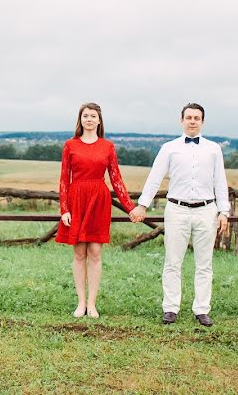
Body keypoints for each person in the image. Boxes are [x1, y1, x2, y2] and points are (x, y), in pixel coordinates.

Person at [129, 103, 230, 327]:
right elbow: (155, 177)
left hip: (206, 210)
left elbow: (220, 181)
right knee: (173, 261)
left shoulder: (214, 149)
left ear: (202, 121)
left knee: (204, 263)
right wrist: (142, 205)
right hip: (177, 210)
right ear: (181, 120)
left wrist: (224, 211)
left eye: (197, 118)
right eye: (189, 117)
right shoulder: (169, 148)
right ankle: (170, 308)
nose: (192, 121)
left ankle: (202, 310)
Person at [56, 102, 138, 318]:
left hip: (99, 200)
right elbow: (64, 179)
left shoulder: (107, 146)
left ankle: (92, 304)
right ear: (80, 120)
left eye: (93, 116)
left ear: (99, 121)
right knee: (78, 252)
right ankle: (80, 303)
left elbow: (116, 179)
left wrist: (130, 207)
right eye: (85, 116)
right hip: (76, 200)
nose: (89, 119)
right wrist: (64, 209)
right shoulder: (70, 145)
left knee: (95, 252)